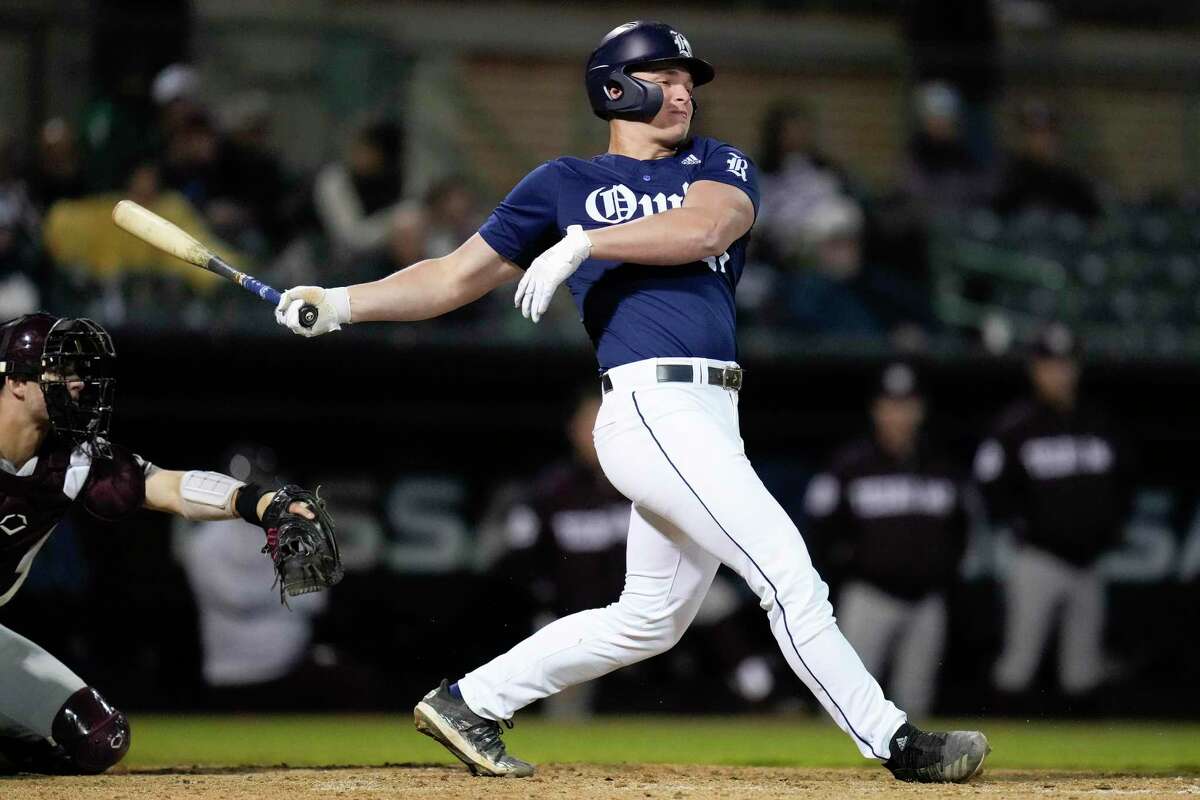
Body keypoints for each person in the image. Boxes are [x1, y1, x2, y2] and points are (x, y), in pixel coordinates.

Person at [274, 20, 988, 783]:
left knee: (651, 619)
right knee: (787, 571)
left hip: (713, 414)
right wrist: (340, 302)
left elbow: (706, 226)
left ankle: (468, 700)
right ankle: (895, 742)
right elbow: (451, 278)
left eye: (689, 80)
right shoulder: (561, 184)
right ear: (615, 86)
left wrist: (586, 244)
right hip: (652, 407)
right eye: (666, 75)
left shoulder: (718, 163)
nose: (683, 91)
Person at [0, 313, 332, 775]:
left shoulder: (71, 460)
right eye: (62, 370)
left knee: (99, 738)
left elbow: (168, 487)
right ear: (16, 381)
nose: (77, 384)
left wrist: (257, 502)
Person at [975, 323, 1130, 699]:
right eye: (1050, 365)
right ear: (1035, 369)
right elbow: (989, 484)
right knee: (1018, 665)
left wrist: (1107, 529)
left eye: (1066, 364)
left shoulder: (1100, 423)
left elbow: (1125, 482)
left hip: (1089, 563)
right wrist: (1022, 524)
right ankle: (1003, 752)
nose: (1058, 373)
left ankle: (1082, 757)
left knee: (1084, 673)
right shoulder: (1014, 426)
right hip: (1037, 559)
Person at [804, 363, 968, 718]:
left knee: (917, 703)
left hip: (927, 601)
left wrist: (944, 572)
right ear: (876, 408)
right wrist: (843, 569)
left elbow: (961, 528)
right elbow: (819, 525)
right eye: (891, 404)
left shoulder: (941, 465)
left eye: (907, 404)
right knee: (843, 701)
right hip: (868, 597)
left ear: (920, 409)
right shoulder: (850, 464)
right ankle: (819, 775)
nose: (899, 414)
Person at [993, 100, 1102, 222]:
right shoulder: (1007, 181)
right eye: (1035, 133)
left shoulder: (1071, 183)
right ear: (1023, 137)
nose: (1043, 141)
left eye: (1049, 132)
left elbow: (1093, 217)